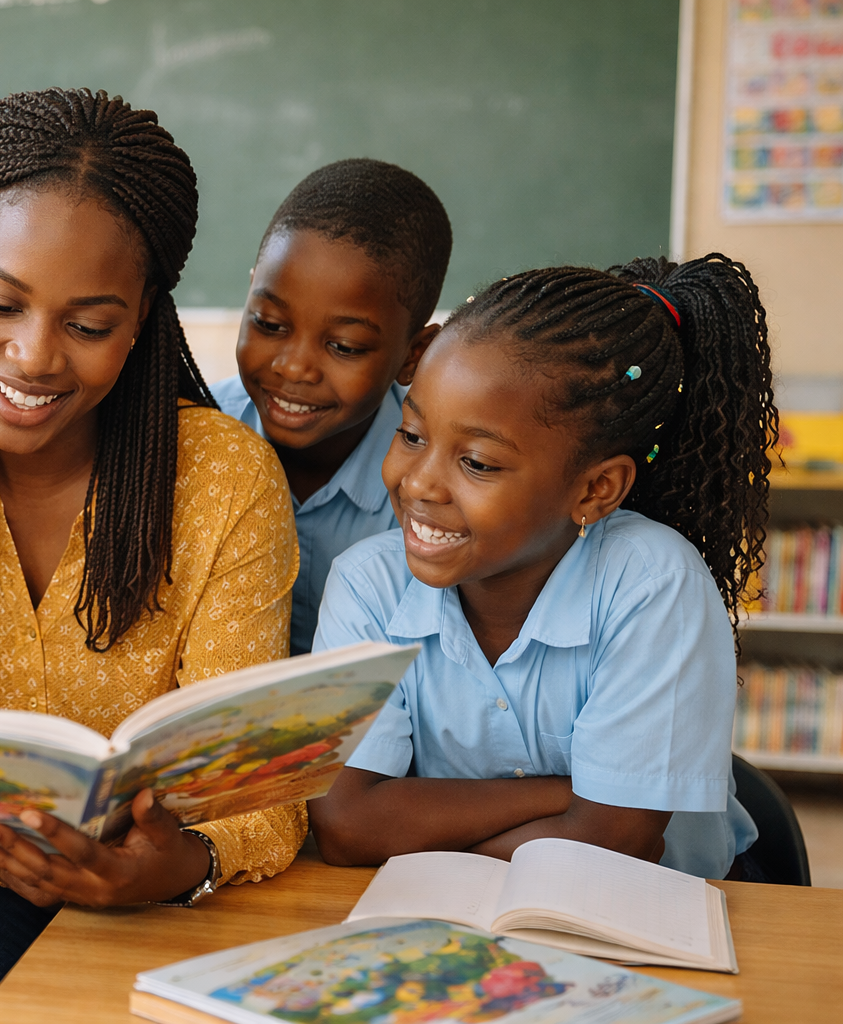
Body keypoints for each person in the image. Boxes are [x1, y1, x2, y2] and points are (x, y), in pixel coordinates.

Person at [0, 88, 299, 1023]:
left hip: (163, 895)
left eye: (88, 325)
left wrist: (178, 864)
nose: (34, 357)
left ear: (143, 315)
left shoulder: (227, 479)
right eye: (2, 303)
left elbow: (256, 795)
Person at [309, 254, 772, 880]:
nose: (418, 483)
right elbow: (344, 824)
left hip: (660, 908)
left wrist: (417, 837)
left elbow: (616, 842)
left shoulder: (655, 585)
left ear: (596, 489)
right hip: (454, 917)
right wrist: (570, 795)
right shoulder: (367, 585)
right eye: (412, 435)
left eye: (477, 463)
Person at [213, 159, 450, 654]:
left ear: (413, 355)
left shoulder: (435, 489)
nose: (294, 367)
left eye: (344, 346)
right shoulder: (192, 437)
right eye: (269, 323)